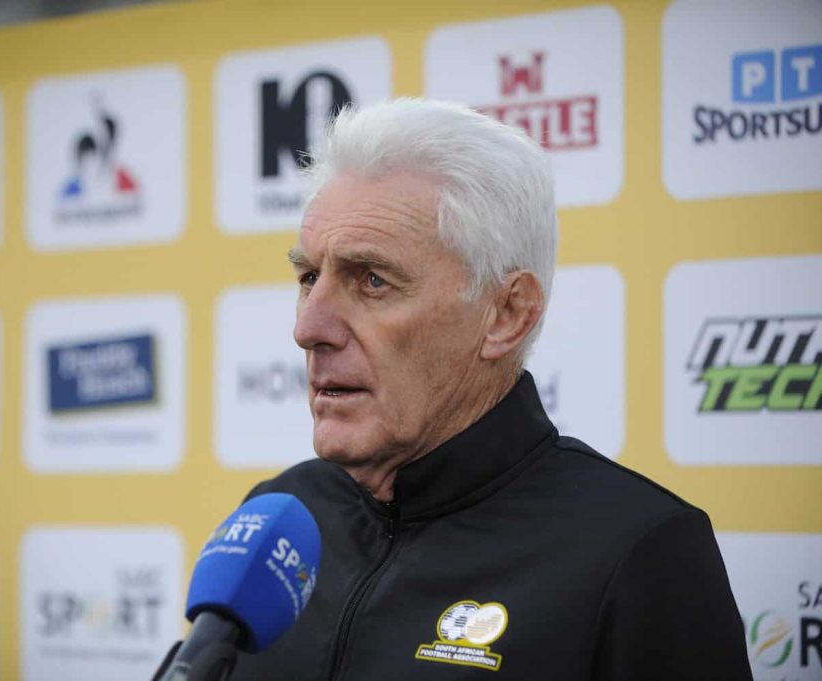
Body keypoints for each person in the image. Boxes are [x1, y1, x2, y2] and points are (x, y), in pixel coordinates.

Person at [230, 99, 751, 681]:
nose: (308, 328)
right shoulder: (278, 518)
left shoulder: (639, 551)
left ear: (507, 314)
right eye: (308, 277)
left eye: (372, 280)